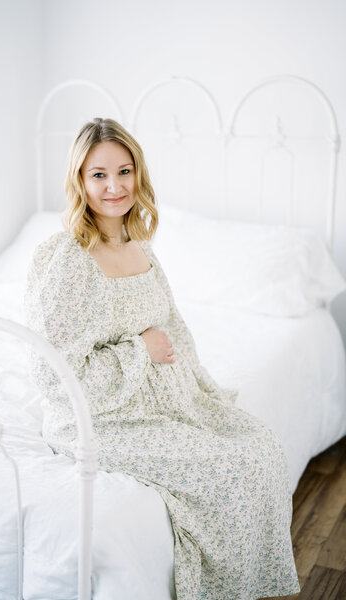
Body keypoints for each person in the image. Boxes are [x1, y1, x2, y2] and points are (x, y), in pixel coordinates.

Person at [24, 117, 300, 600]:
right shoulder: (69, 259)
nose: (115, 186)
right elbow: (56, 374)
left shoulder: (139, 245)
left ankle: (250, 585)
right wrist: (140, 351)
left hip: (160, 404)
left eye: (124, 171)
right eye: (98, 174)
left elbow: (173, 328)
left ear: (139, 175)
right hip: (100, 420)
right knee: (232, 470)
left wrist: (202, 395)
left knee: (261, 447)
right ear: (78, 181)